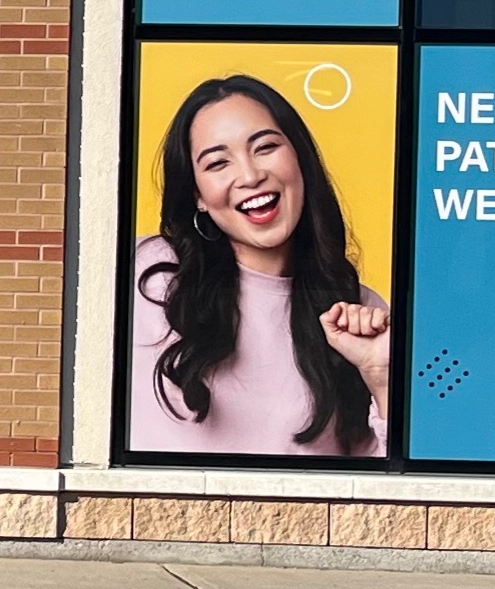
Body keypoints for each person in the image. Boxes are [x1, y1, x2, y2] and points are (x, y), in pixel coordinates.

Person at [127, 75, 389, 458]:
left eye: (265, 147)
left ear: (299, 159)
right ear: (198, 195)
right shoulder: (145, 273)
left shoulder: (358, 311)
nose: (250, 176)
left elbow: (383, 499)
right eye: (218, 163)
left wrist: (380, 377)